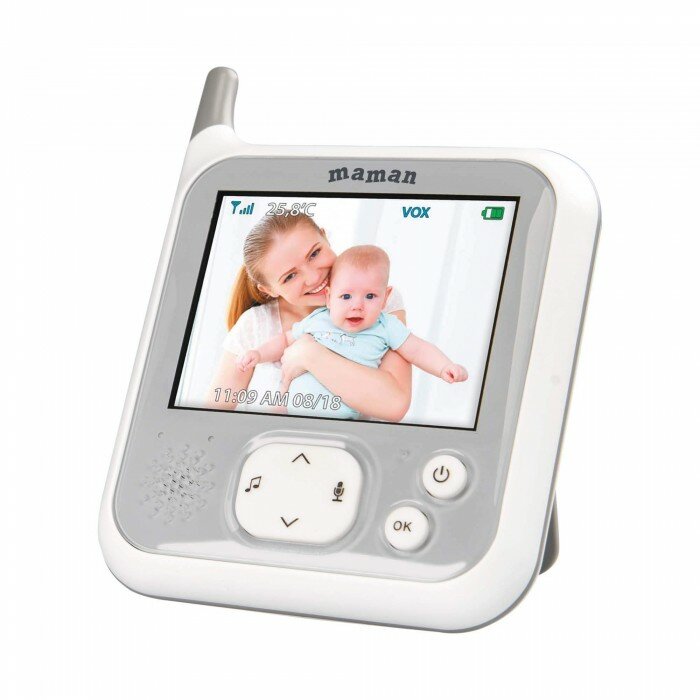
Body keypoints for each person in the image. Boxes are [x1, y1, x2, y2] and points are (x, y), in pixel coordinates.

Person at [208, 213, 412, 421]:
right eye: (290, 276)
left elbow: (393, 405)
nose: (314, 277)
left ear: (324, 237)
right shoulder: (255, 325)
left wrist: (308, 354)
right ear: (269, 289)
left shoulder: (378, 301)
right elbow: (211, 421)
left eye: (314, 254)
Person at [237, 245, 468, 419]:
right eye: (346, 296)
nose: (357, 305)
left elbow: (417, 349)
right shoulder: (318, 319)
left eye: (370, 296)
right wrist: (258, 354)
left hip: (344, 422)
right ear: (329, 297)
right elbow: (284, 341)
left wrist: (444, 367)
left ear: (385, 297)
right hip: (292, 412)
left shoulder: (386, 326)